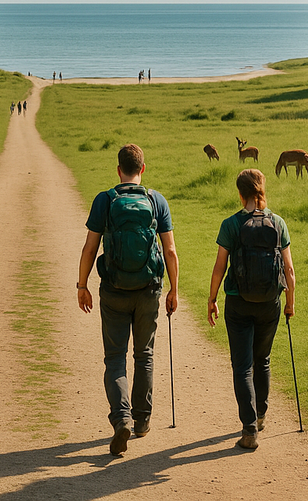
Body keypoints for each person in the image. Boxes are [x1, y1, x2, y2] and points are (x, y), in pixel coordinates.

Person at [77, 144, 179, 456]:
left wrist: (82, 285)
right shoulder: (155, 200)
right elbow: (170, 250)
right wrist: (174, 289)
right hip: (149, 289)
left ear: (118, 169)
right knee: (144, 355)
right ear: (142, 169)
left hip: (114, 290)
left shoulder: (105, 200)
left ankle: (121, 418)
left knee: (114, 358)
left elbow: (90, 248)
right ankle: (142, 420)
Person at [207, 169, 296, 451]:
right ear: (261, 190)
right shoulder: (278, 223)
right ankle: (260, 416)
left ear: (240, 193)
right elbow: (289, 270)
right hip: (271, 302)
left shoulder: (231, 224)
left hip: (238, 302)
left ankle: (248, 430)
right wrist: (291, 303)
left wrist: (212, 298)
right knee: (263, 360)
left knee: (242, 365)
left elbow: (220, 266)